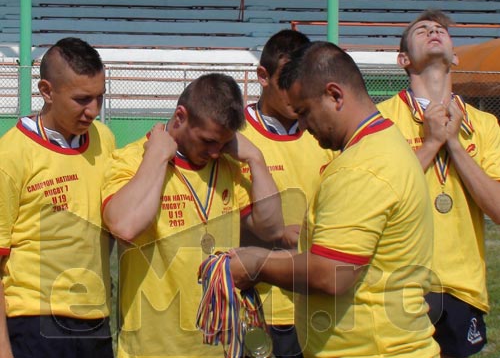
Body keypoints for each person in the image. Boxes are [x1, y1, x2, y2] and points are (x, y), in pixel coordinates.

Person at [229, 41, 440, 358]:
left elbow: (332, 274)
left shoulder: (361, 167)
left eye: (304, 112)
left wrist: (255, 263)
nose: (302, 125)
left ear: (335, 95)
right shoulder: (385, 142)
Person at [101, 72, 283, 358]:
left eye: (223, 143)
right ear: (180, 116)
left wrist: (256, 159)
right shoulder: (133, 159)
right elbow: (124, 226)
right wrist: (158, 156)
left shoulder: (229, 166)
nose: (214, 153)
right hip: (153, 350)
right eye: (208, 141)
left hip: (222, 348)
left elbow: (272, 228)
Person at [377, 9, 500, 358]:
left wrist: (455, 144)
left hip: (463, 286)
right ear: (403, 59)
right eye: (422, 30)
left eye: (440, 30)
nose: (433, 31)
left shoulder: (485, 124)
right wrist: (431, 143)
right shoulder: (382, 120)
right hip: (399, 284)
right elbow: (378, 199)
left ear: (455, 56)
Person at [0, 37, 116, 358]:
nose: (93, 111)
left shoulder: (104, 140)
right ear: (47, 91)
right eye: (82, 99)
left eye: (99, 98)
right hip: (33, 320)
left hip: (95, 317)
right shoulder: (11, 154)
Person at [239, 29, 333, 358]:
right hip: (258, 306)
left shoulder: (325, 135)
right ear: (262, 76)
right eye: (287, 80)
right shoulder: (236, 136)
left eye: (303, 81)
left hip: (319, 302)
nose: (296, 92)